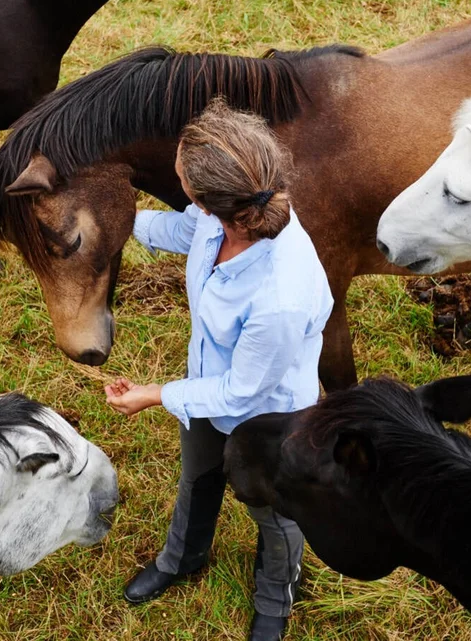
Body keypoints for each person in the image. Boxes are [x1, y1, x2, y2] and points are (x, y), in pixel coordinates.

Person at [105, 99, 333, 641]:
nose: (174, 172)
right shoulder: (227, 213)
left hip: (269, 416)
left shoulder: (279, 297)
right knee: (197, 475)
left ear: (204, 196)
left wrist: (154, 394)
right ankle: (182, 558)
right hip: (207, 385)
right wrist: (118, 220)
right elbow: (187, 236)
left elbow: (241, 393)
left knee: (272, 513)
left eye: (180, 172)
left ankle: (276, 598)